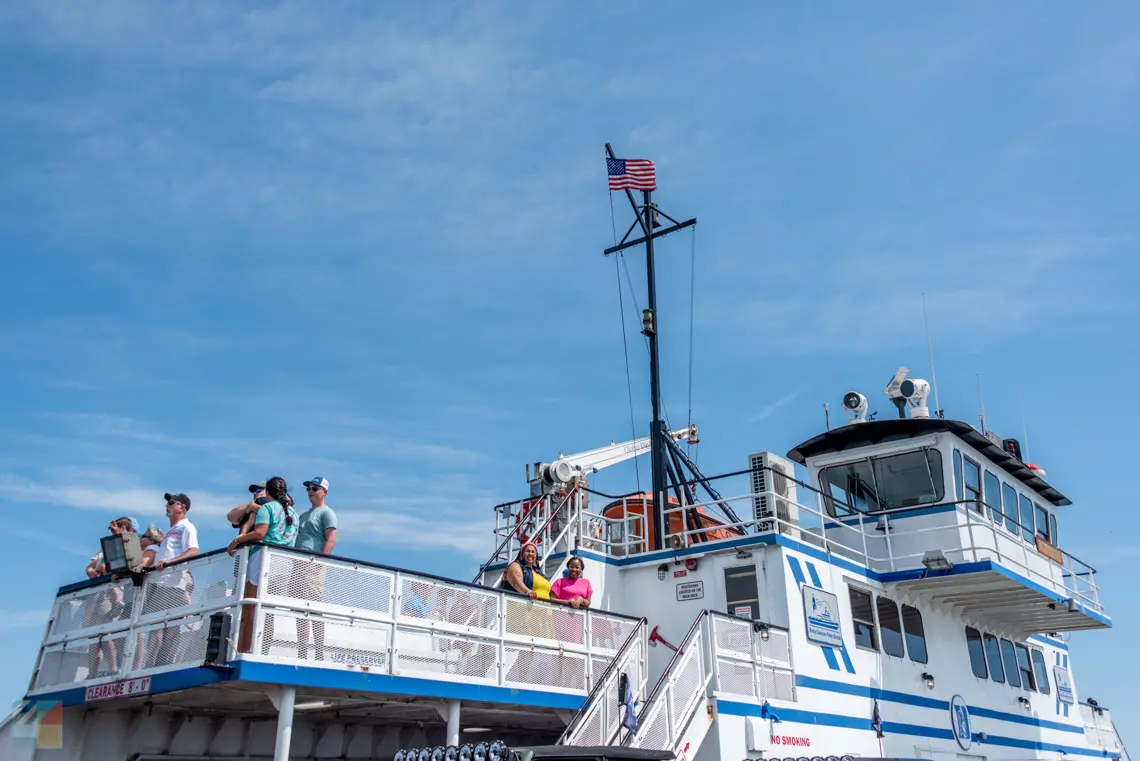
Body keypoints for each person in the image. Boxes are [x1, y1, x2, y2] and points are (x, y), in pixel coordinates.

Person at [227, 476, 298, 653]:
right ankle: (263, 650)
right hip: (285, 562)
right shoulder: (294, 514)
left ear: (269, 492)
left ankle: (243, 650)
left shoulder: (267, 507)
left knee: (249, 606)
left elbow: (260, 533)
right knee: (268, 609)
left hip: (263, 558)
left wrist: (237, 540)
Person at [148, 493, 199, 668]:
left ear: (182, 507)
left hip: (173, 585)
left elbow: (193, 550)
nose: (167, 505)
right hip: (160, 584)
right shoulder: (172, 530)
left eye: (171, 502)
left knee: (170, 627)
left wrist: (169, 562)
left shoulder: (187, 527)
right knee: (156, 626)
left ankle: (165, 663)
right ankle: (155, 664)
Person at [294, 476, 337, 660]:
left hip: (313, 566)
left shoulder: (327, 513)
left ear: (324, 492)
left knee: (315, 608)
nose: (311, 491)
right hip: (297, 565)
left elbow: (331, 539)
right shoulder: (302, 515)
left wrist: (319, 563)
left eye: (315, 488)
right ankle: (302, 650)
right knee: (299, 609)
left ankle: (319, 651)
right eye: (309, 488)